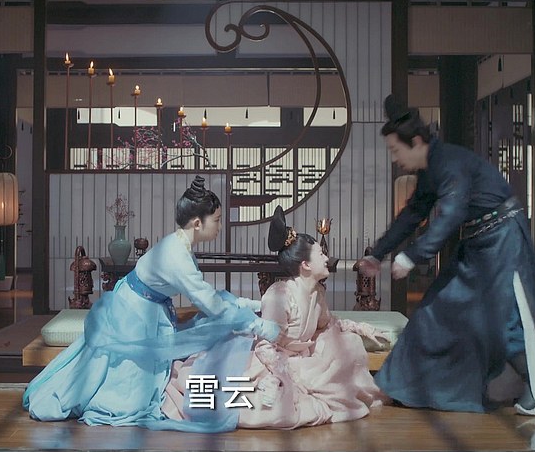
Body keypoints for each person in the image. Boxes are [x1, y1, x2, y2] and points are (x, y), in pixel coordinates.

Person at [357, 95, 535, 418]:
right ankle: (405, 387)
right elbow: (413, 214)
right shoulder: (431, 168)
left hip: (502, 241)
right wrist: (378, 254)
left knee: (501, 319)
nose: (395, 158)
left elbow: (450, 215)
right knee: (434, 312)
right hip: (478, 245)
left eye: (396, 150)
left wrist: (412, 256)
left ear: (417, 142)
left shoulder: (450, 163)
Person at [23, 175, 280, 429]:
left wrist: (249, 305)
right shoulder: (176, 256)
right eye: (217, 220)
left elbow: (209, 296)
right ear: (197, 223)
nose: (220, 226)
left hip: (144, 306)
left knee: (129, 373)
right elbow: (212, 304)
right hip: (134, 312)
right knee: (127, 393)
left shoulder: (179, 244)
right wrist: (256, 324)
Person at [162, 206, 390, 429]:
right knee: (273, 407)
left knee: (349, 343)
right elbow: (265, 346)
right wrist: (285, 375)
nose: (326, 258)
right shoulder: (280, 295)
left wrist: (361, 328)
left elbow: (327, 324)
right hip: (269, 360)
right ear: (305, 265)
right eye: (321, 254)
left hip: (300, 358)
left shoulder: (317, 293)